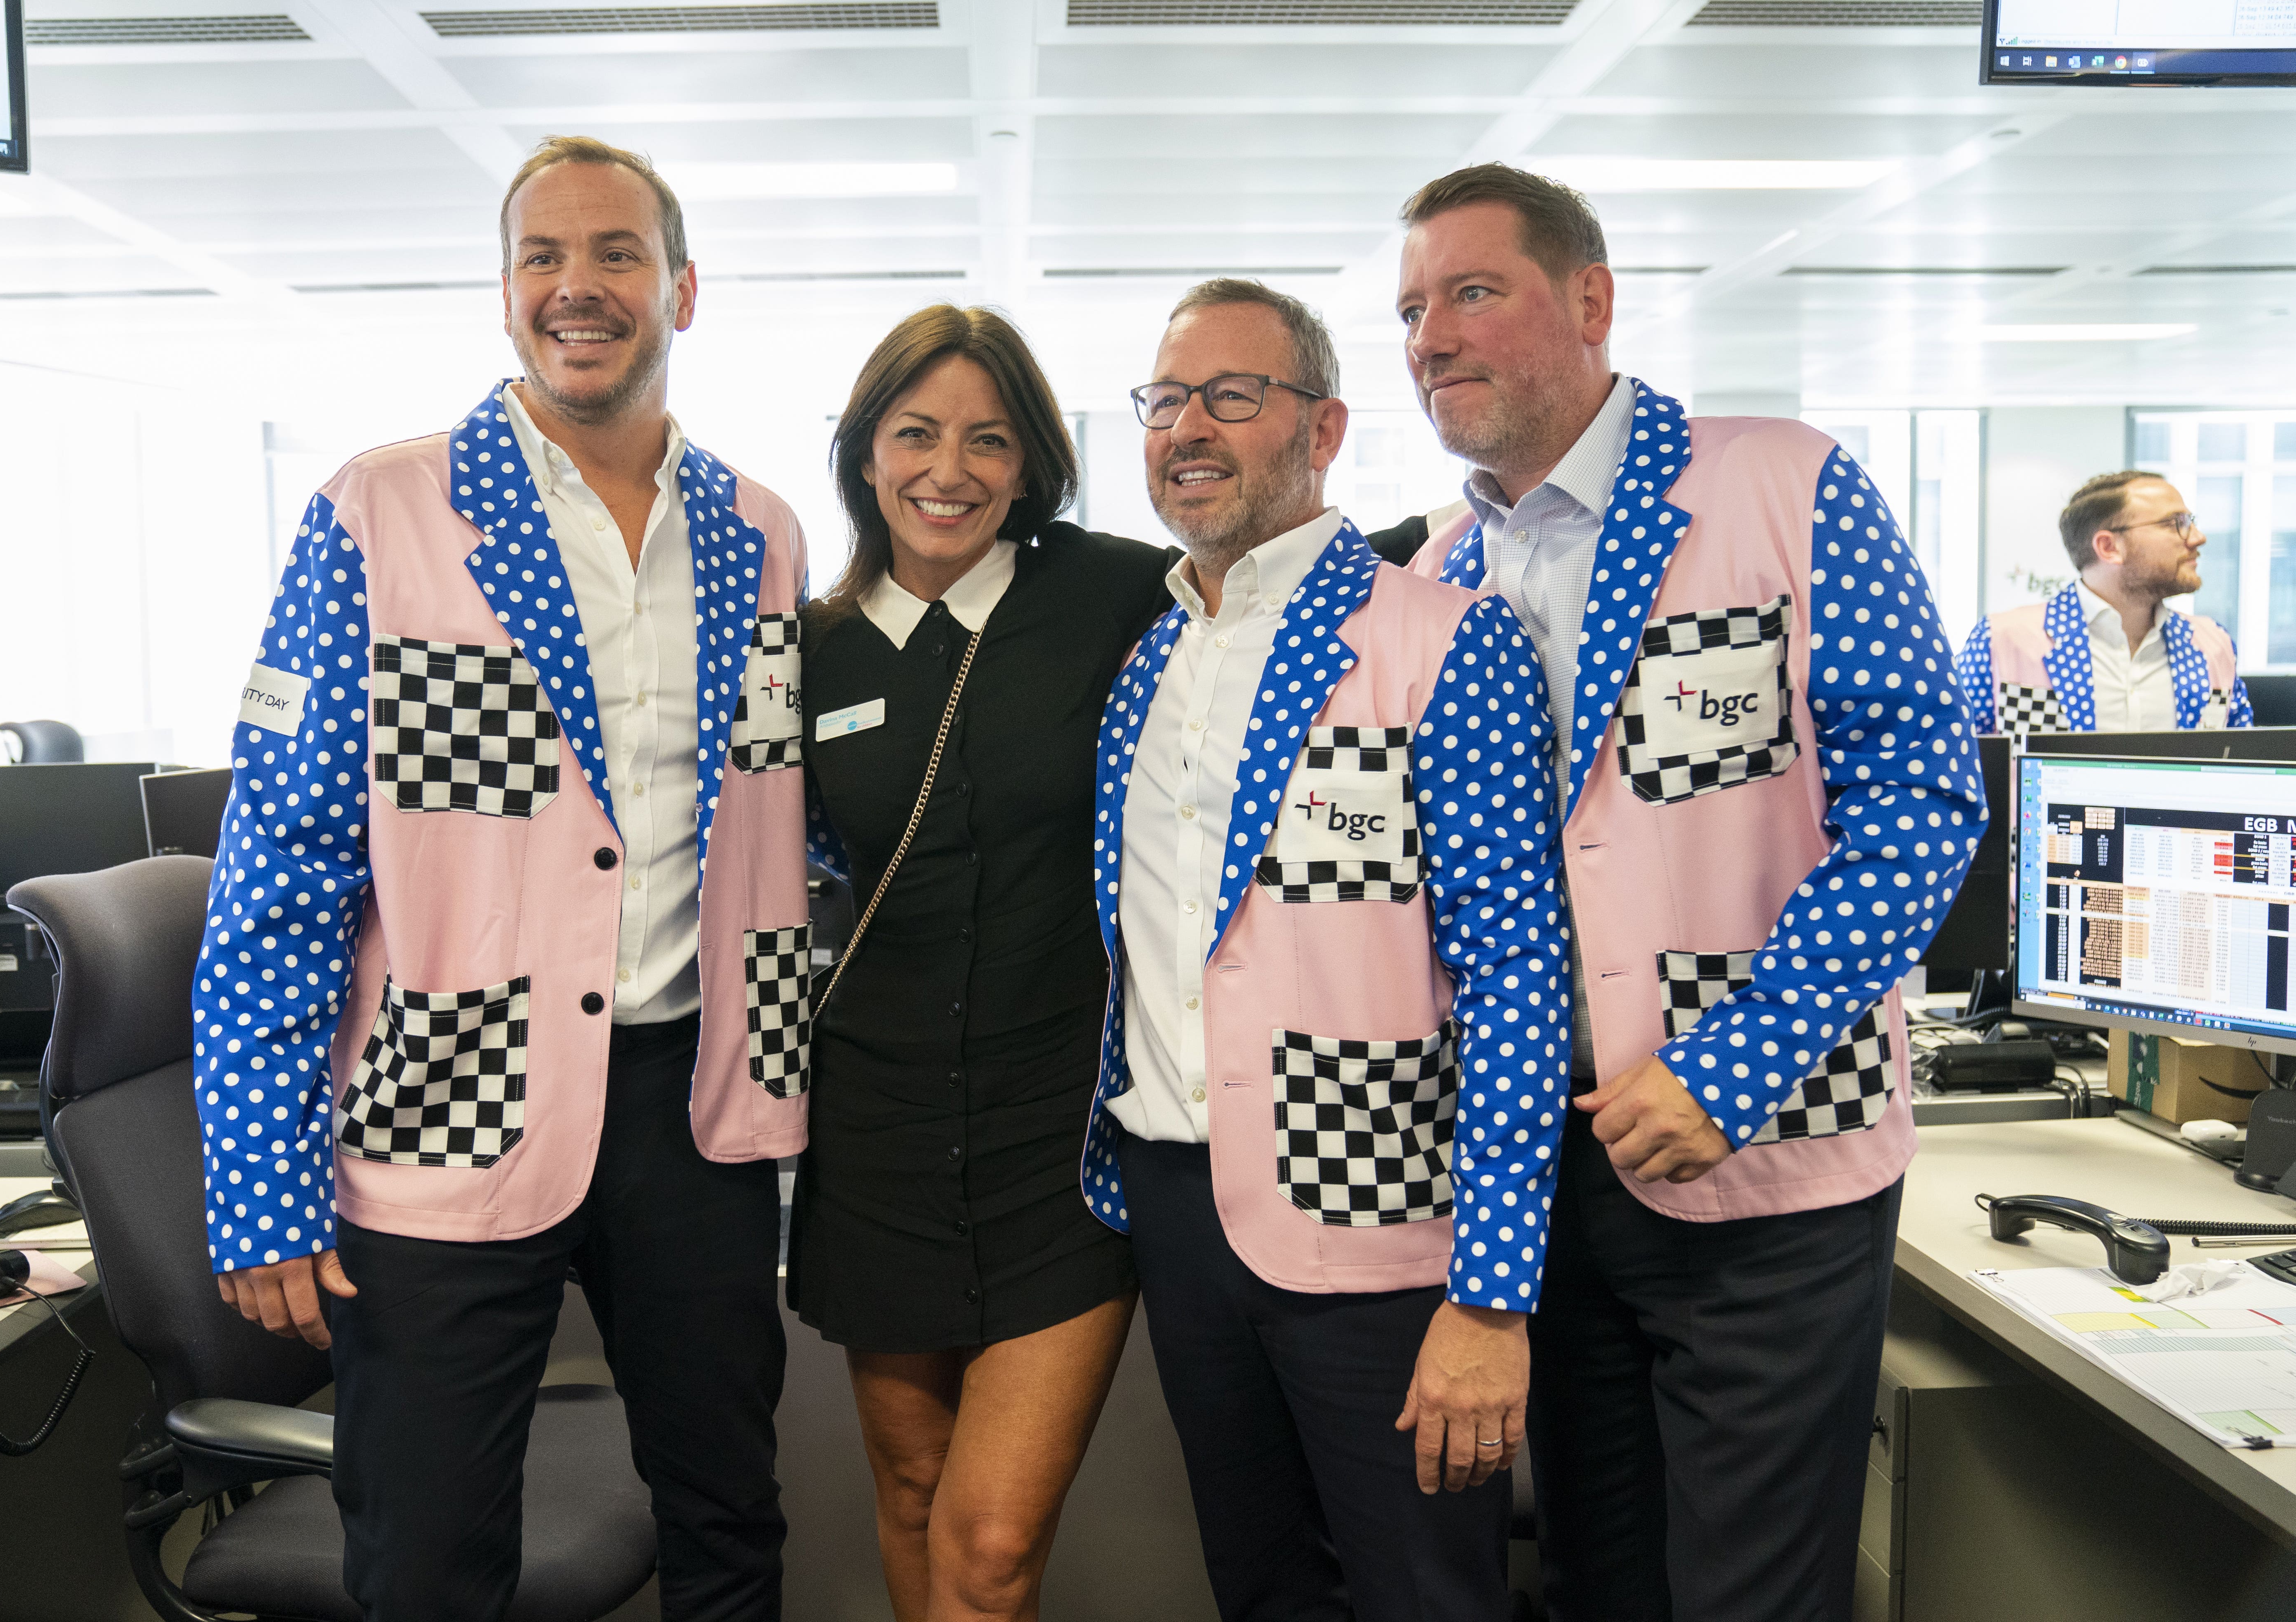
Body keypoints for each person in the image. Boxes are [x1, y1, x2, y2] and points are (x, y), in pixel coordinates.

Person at [193, 136, 813, 1622]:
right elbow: (277, 858)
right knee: (426, 1546)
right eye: (542, 256)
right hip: (445, 1106)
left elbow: (778, 822)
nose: (575, 287)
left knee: (727, 1515)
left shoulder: (756, 531)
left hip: (693, 1109)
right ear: (503, 290)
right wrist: (258, 1184)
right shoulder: (380, 511)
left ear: (680, 288)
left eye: (612, 254)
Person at [1393, 164, 1986, 1622]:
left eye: (1472, 292)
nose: (1430, 337)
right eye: (1411, 309)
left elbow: (1920, 801)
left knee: (1748, 1598)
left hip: (1770, 1160)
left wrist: (1735, 1062)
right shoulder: (1442, 567)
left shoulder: (1776, 485)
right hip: (1562, 1175)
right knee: (1602, 1581)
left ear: (1590, 302)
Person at [1081, 278, 1567, 1621]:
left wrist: (1491, 1292)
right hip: (1182, 1216)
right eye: (1167, 399)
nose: (1191, 426)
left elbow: (1518, 979)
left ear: (1324, 427)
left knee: (1426, 1598)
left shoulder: (1441, 644)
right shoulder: (1151, 666)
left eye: (1233, 395)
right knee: (1261, 1588)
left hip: (1382, 1239)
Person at [789, 304, 1173, 1622]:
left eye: (987, 438)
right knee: (911, 1487)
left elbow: (1305, 590)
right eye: (914, 432)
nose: (946, 468)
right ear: (863, 452)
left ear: (1031, 464)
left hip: (1055, 1130)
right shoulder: (808, 647)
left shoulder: (1116, 593)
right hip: (878, 1127)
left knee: (994, 1531)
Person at [1957, 471, 2253, 734]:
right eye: (2175, 524)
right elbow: (1958, 764)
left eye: (2189, 522)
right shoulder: (2002, 640)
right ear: (2108, 547)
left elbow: (2244, 767)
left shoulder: (2214, 645)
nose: (2197, 538)